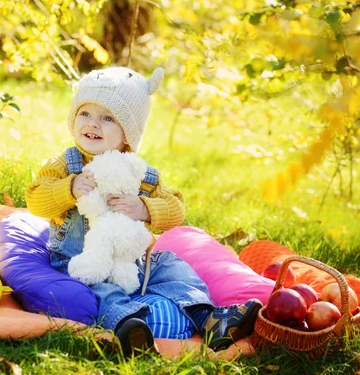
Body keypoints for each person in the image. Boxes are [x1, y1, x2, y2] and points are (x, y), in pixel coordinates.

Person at [25, 66, 261, 356]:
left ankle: (210, 318)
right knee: (97, 288)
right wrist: (69, 189)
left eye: (107, 118)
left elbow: (176, 209)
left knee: (173, 266)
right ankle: (130, 327)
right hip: (82, 260)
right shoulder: (65, 165)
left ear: (129, 133)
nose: (93, 124)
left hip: (132, 261)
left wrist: (146, 208)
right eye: (85, 114)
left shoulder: (141, 174)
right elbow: (35, 199)